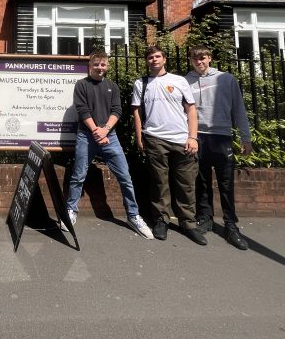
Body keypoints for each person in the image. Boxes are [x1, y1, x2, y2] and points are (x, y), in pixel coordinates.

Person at [65, 50, 153, 239]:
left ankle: (133, 215)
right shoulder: (81, 85)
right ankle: (71, 210)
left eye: (103, 64)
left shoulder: (113, 86)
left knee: (125, 177)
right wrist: (97, 131)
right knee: (78, 175)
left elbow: (117, 110)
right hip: (86, 136)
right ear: (90, 66)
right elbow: (82, 110)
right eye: (96, 64)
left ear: (107, 66)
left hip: (110, 137)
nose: (99, 68)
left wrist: (105, 130)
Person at [131, 45, 207, 245]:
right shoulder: (141, 83)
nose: (154, 60)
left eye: (157, 56)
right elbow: (137, 112)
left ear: (164, 59)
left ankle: (188, 223)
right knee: (159, 182)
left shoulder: (179, 81)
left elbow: (191, 109)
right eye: (150, 57)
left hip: (182, 138)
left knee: (186, 183)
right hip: (155, 138)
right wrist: (139, 136)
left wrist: (193, 137)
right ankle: (161, 219)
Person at [186, 45, 252, 250]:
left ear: (210, 58)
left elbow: (238, 108)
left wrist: (245, 136)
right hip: (198, 137)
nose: (199, 62)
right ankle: (205, 218)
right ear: (191, 61)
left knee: (226, 184)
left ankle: (231, 226)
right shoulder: (185, 81)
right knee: (202, 181)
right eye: (195, 59)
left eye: (202, 58)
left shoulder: (226, 79)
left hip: (222, 135)